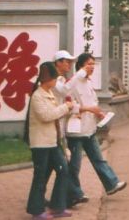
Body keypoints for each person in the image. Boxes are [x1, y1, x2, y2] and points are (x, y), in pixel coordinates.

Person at [65, 53, 127, 198]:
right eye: (88, 64)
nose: (92, 67)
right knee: (75, 165)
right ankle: (74, 193)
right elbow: (67, 103)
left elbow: (92, 103)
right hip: (76, 131)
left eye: (93, 64)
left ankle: (111, 184)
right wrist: (86, 109)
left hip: (89, 129)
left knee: (98, 159)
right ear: (80, 66)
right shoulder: (73, 82)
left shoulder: (88, 83)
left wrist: (98, 113)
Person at [24, 61, 74, 219]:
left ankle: (57, 206)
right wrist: (65, 107)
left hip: (53, 142)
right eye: (55, 78)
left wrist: (68, 110)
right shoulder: (38, 96)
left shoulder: (49, 93)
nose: (56, 81)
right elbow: (47, 116)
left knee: (63, 170)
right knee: (40, 176)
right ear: (48, 79)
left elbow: (55, 114)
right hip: (41, 144)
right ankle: (36, 210)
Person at [52, 50, 86, 208]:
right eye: (67, 61)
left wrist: (76, 109)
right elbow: (64, 91)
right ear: (58, 62)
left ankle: (57, 200)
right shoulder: (52, 80)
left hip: (59, 128)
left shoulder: (61, 79)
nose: (69, 65)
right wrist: (78, 75)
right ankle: (74, 194)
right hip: (51, 129)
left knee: (48, 171)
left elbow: (67, 99)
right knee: (62, 167)